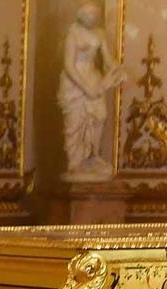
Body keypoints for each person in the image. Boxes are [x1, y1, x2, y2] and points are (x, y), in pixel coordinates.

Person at [58, 0, 123, 179]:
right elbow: (68, 65)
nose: (91, 17)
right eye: (88, 14)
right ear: (80, 14)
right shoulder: (72, 35)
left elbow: (108, 60)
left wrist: (117, 69)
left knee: (100, 116)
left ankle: (93, 156)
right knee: (75, 124)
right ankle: (76, 163)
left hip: (93, 78)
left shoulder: (99, 34)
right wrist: (86, 88)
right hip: (75, 83)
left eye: (94, 14)